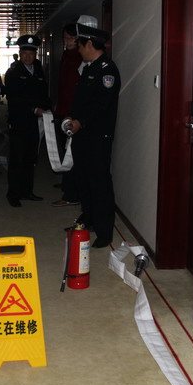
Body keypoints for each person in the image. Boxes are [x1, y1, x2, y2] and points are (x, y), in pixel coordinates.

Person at [63, 17, 120, 248]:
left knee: (99, 183)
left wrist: (81, 122)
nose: (78, 49)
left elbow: (101, 105)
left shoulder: (107, 70)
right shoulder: (89, 68)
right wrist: (72, 119)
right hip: (82, 135)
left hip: (97, 137)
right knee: (83, 180)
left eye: (79, 45)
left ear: (89, 44)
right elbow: (82, 102)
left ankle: (104, 232)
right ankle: (88, 220)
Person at [4, 34, 51, 207]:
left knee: (31, 158)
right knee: (17, 158)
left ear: (35, 54)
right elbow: (14, 98)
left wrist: (48, 109)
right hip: (19, 121)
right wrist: (33, 109)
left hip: (34, 123)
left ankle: (27, 191)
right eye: (24, 53)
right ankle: (13, 194)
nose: (28, 57)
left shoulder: (38, 71)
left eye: (31, 53)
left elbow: (43, 94)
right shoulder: (13, 72)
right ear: (20, 53)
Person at [51, 22, 83, 207]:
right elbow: (63, 84)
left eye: (72, 38)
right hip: (62, 109)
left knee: (72, 152)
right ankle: (67, 183)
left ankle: (71, 194)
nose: (68, 41)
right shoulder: (65, 55)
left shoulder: (81, 57)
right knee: (64, 149)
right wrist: (58, 102)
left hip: (73, 113)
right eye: (66, 38)